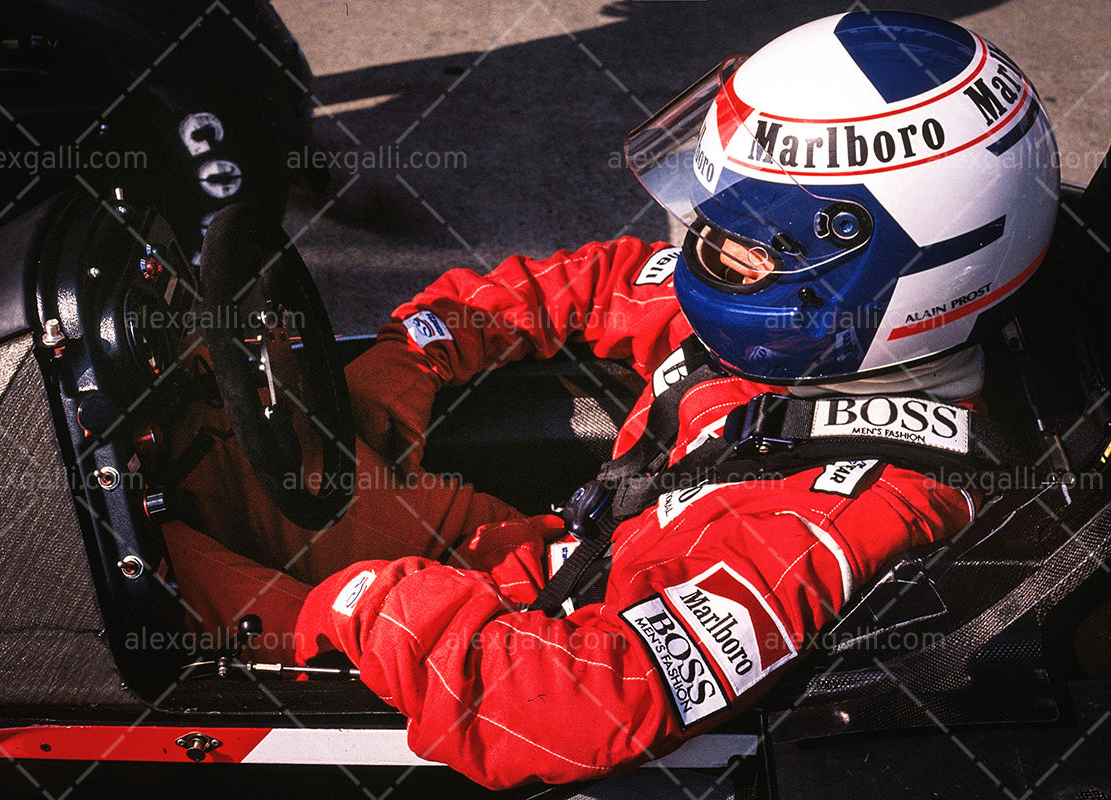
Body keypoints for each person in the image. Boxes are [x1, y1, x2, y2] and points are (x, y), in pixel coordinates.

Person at [178, 10, 1061, 789]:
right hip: (554, 561)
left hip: (539, 649)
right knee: (208, 455)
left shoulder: (843, 520)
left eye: (743, 240)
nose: (701, 247)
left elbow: (573, 705)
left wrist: (357, 603)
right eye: (711, 212)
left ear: (882, 274)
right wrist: (416, 352)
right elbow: (587, 283)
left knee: (156, 610)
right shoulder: (792, 329)